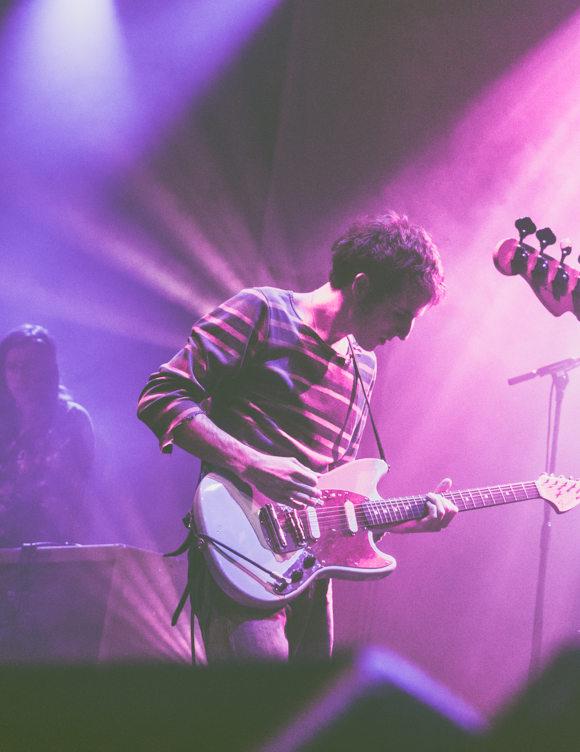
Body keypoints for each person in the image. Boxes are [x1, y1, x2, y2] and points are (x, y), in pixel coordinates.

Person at [137, 213, 458, 663]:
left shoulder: (364, 367)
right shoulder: (262, 312)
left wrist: (400, 519)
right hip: (241, 550)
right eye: (401, 314)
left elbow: (336, 495)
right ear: (362, 286)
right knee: (259, 714)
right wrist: (251, 463)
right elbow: (161, 395)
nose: (403, 333)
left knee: (302, 718)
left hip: (311, 572)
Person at [0, 325, 94, 547]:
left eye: (29, 366)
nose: (21, 375)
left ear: (49, 369)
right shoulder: (3, 426)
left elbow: (64, 496)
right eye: (13, 367)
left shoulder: (71, 418)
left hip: (51, 557)